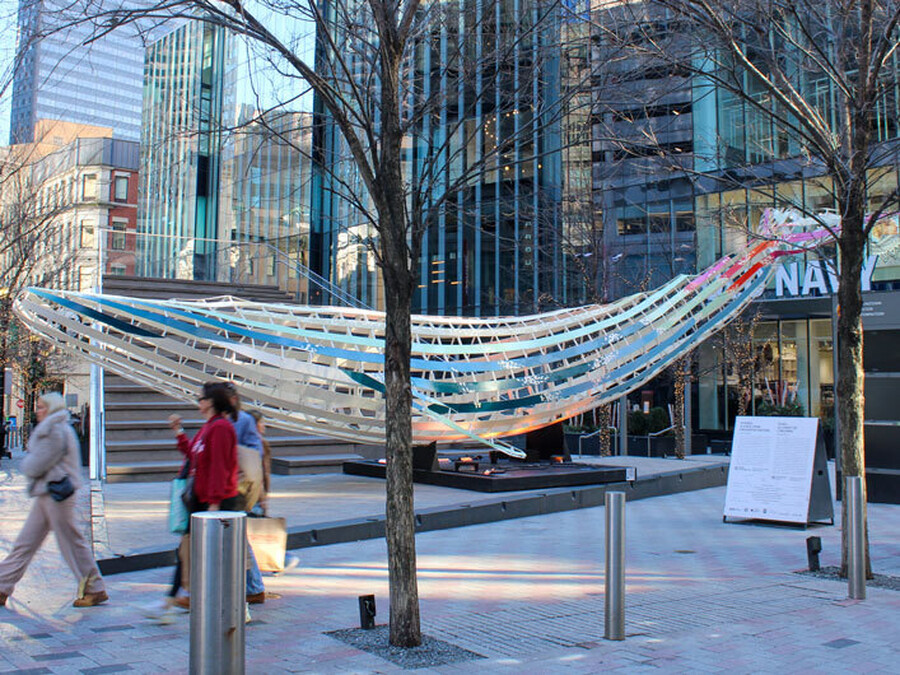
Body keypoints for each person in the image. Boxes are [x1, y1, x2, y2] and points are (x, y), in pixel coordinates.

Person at [0, 393, 108, 608]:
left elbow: (36, 465)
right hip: (49, 493)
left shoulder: (53, 430)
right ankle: (2, 585)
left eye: (41, 407)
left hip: (57, 493)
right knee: (26, 543)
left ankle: (95, 588)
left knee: (70, 542)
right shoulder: (58, 428)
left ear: (51, 408)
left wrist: (27, 463)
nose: (37, 411)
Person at [168, 381, 242, 607]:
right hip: (201, 500)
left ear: (211, 402)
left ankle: (181, 597)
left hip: (214, 501)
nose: (198, 402)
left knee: (204, 552)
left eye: (201, 398)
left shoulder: (220, 428)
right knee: (189, 549)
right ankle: (176, 596)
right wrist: (179, 432)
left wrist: (214, 503)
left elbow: (220, 467)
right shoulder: (209, 427)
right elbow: (193, 454)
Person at [249, 410, 299, 575]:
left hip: (255, 495)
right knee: (253, 531)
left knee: (255, 532)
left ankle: (283, 558)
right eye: (261, 423)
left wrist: (262, 497)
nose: (264, 426)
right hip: (255, 494)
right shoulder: (254, 442)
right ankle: (282, 559)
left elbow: (262, 472)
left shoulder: (258, 443)